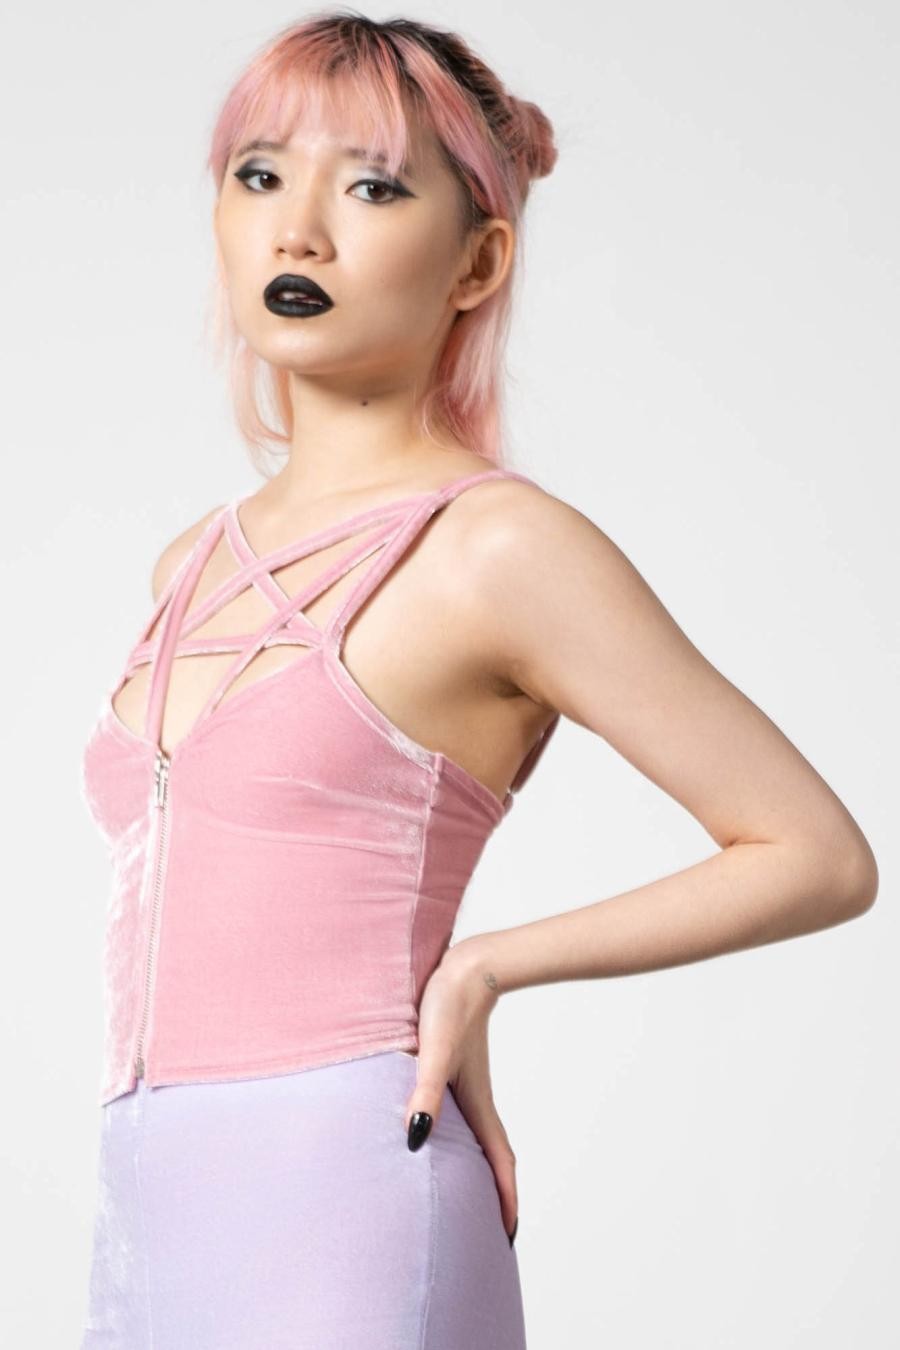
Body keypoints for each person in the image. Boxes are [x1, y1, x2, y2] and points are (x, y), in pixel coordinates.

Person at [77, 12, 879, 1349]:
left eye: (373, 188)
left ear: (478, 260)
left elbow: (816, 853)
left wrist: (484, 967)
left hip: (349, 1196)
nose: (298, 231)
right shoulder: (188, 564)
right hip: (146, 1212)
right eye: (260, 174)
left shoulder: (496, 548)